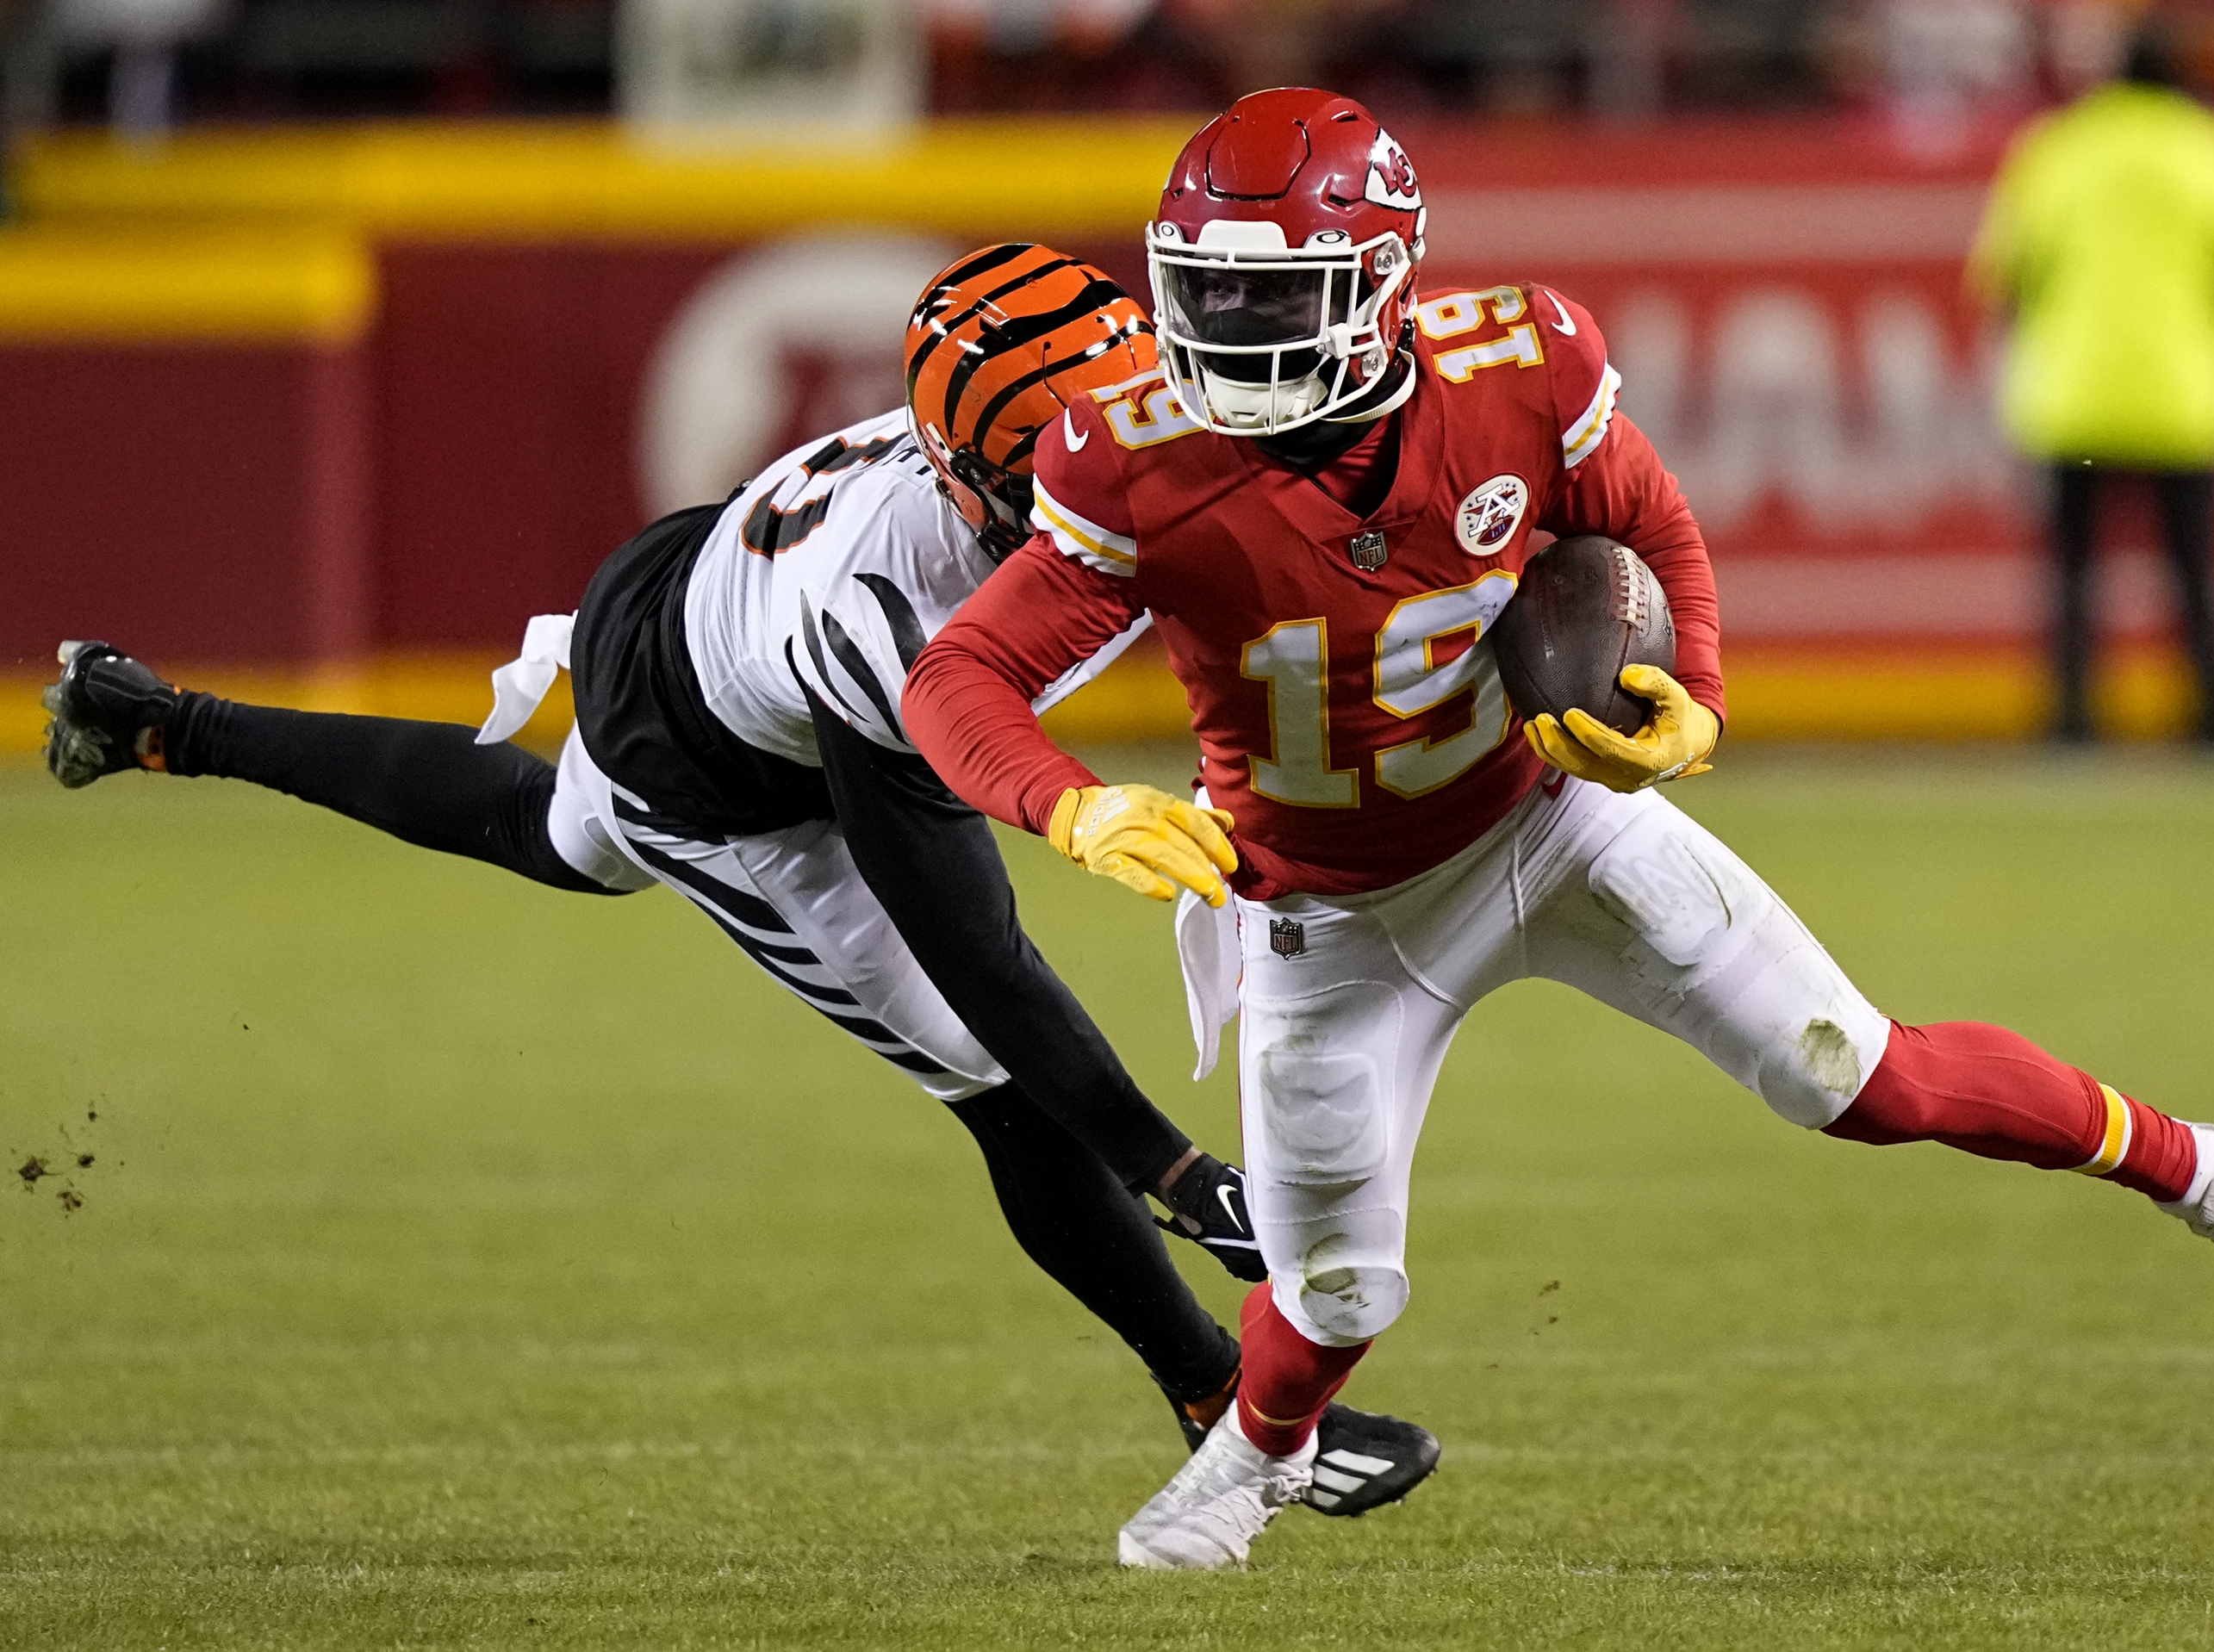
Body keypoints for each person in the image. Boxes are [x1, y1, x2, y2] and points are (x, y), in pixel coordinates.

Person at [900, 91, 2214, 1571]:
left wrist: (1701, 700)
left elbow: (1649, 518)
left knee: (1853, 1073)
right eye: (1204, 286)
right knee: (1337, 1291)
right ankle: (1256, 1453)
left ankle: (2210, 1171)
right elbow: (960, 674)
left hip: (1557, 824)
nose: (1227, 325)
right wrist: (1069, 799)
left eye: (1267, 290)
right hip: (1331, 909)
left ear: (1378, 279)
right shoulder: (1129, 453)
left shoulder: (1521, 367)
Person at [38, 244, 1438, 1516]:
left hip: (702, 594)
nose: (1114, 484)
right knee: (1001, 1082)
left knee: (555, 841)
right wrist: (1170, 1165)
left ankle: (162, 723)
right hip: (727, 759)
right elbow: (970, 945)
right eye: (1057, 470)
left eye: (1127, 432)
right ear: (973, 476)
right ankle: (1224, 1410)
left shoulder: (1037, 469)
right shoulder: (895, 618)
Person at [1968, 22, 2214, 743]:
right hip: (2186, 396)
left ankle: (2071, 726)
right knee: (2198, 574)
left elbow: (2003, 277)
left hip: (2073, 395)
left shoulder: (2056, 148)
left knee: (2073, 578)